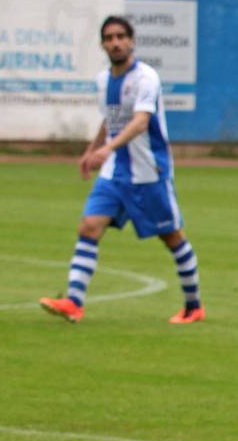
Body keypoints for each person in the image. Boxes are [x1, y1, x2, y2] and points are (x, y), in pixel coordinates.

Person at [40, 16, 203, 325]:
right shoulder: (104, 81)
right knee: (89, 226)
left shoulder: (146, 78)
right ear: (102, 44)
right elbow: (111, 120)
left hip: (149, 172)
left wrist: (107, 149)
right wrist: (92, 151)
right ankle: (74, 302)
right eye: (109, 37)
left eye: (120, 36)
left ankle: (194, 305)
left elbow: (141, 121)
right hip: (115, 173)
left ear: (132, 41)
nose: (115, 42)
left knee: (172, 237)